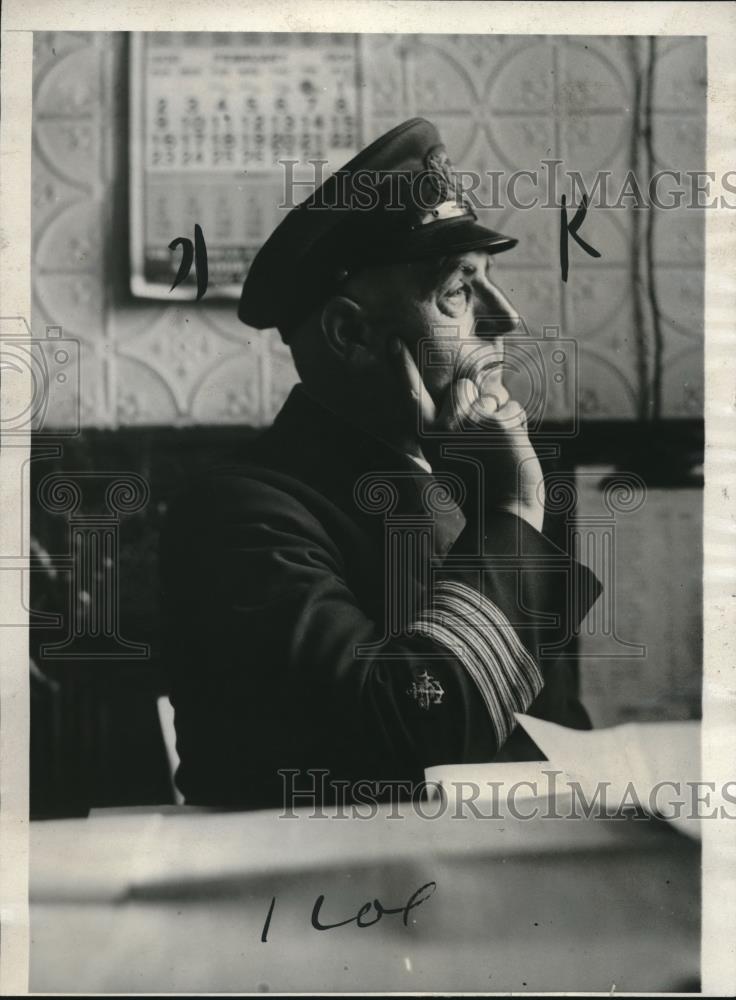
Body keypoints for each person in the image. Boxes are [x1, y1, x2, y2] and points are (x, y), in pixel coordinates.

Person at [161, 118, 602, 809]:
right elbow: (410, 738)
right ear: (352, 333)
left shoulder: (456, 489)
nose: (506, 317)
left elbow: (551, 730)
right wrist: (515, 508)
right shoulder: (239, 515)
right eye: (459, 291)